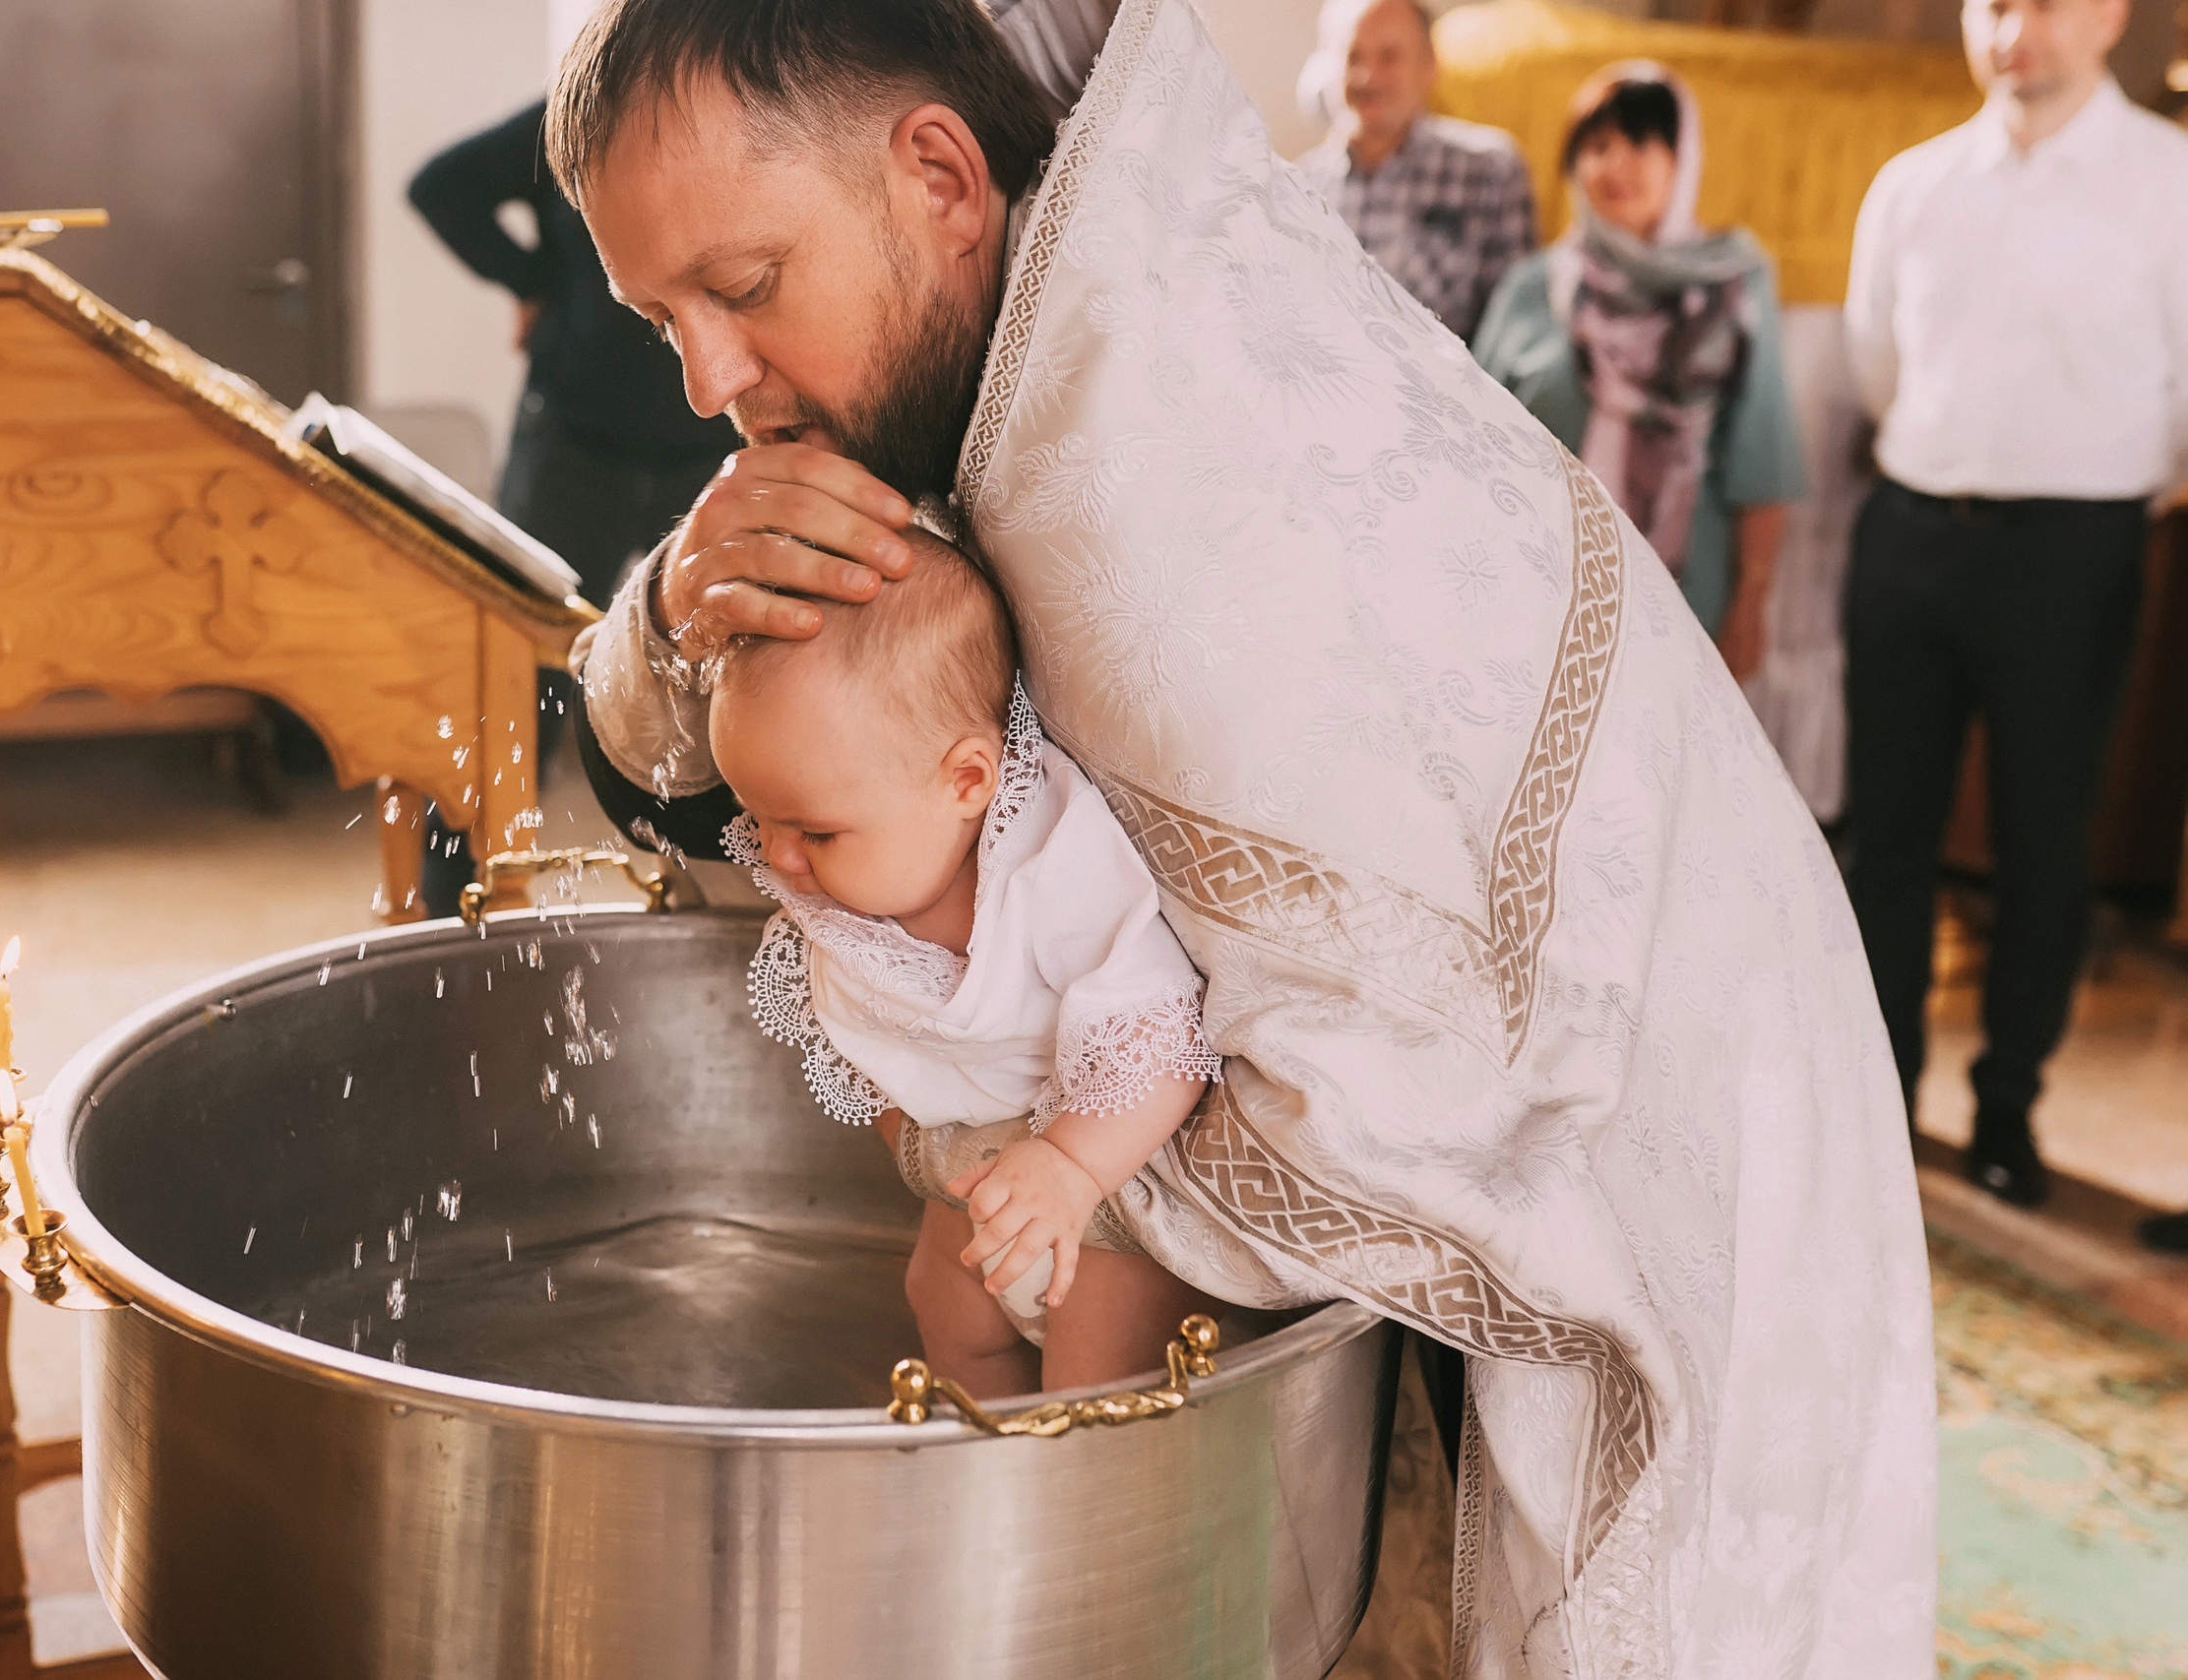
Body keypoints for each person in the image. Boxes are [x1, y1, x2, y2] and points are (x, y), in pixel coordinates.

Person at [555, 0, 1936, 1667]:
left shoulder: (1187, 498)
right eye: (659, 323)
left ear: (940, 173)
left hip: (1680, 1129)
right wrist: (677, 606)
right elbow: (702, 775)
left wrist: (996, 1168)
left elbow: (1390, 1089)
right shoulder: (994, 340)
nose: (710, 380)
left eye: (747, 288)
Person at [709, 520, 1219, 1395]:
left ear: (967, 782)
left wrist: (1070, 1165)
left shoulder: (1050, 866)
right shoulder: (838, 891)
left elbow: (1164, 1037)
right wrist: (916, 1143)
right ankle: (982, 1485)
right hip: (972, 1187)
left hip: (1102, 1199)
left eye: (815, 829)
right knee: (942, 1309)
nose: (779, 859)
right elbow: (862, 1038)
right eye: (760, 818)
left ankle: (1069, 1512)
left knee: (1095, 1383)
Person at [1843, 0, 2188, 1208]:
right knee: (1882, 844)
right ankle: (1875, 1105)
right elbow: (1874, 365)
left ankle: (2005, 1114)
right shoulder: (1913, 185)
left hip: (2073, 552)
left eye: (2044, 0)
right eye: (1991, 1)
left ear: (2110, 16)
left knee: (2047, 849)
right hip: (1909, 535)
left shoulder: (2171, 183)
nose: (2012, 25)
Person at [405, 98, 738, 911]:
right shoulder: (584, 109)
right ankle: (450, 909)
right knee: (509, 679)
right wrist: (536, 278)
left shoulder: (753, 99)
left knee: (731, 680)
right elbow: (439, 187)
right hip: (573, 445)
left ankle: (722, 910)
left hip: (709, 447)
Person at [1472, 66, 1805, 683]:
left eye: (1641, 143)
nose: (1616, 164)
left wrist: (1751, 606)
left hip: (1684, 606)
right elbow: (1474, 450)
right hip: (1536, 599)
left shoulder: (1733, 286)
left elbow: (1763, 462)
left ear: (1683, 158)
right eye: (1597, 147)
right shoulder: (1533, 287)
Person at [1292, 0, 1536, 342]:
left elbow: (1515, 330)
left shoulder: (1489, 171)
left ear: (1429, 67)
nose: (1367, 76)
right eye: (1353, 57)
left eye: (1389, 57)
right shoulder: (1296, 187)